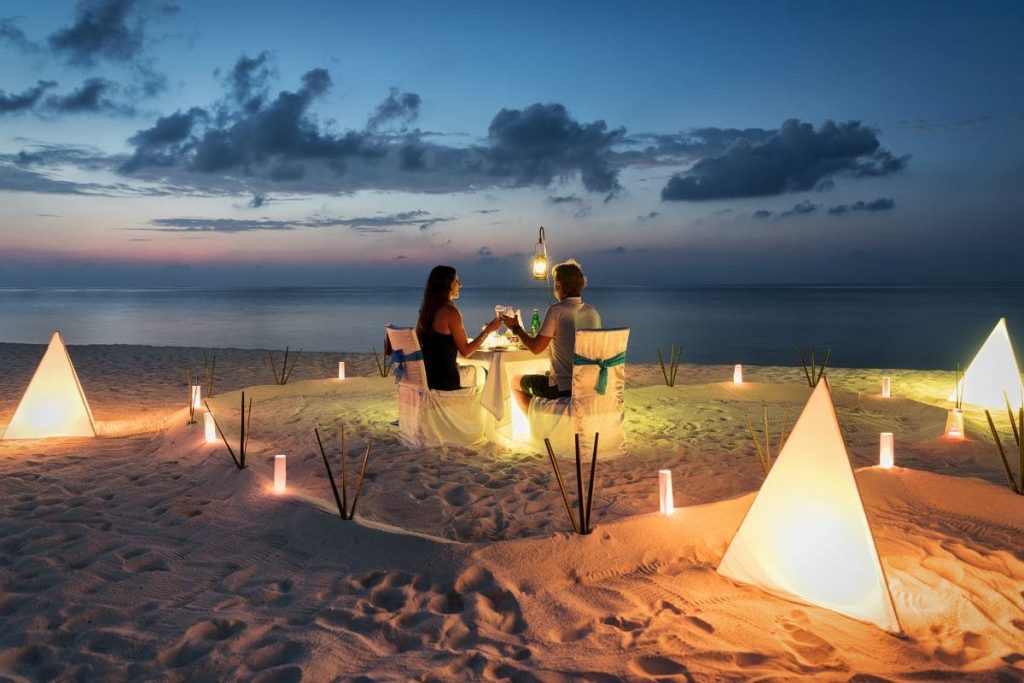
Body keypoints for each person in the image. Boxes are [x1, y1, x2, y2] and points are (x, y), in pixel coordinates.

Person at [501, 260, 601, 414]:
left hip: (562, 388)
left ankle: (537, 427)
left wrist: (516, 328)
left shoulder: (557, 311)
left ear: (559, 286)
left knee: (514, 381)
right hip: (588, 386)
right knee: (542, 373)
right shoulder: (592, 312)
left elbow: (536, 348)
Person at [417, 265, 502, 391]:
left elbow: (421, 344)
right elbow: (466, 351)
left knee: (471, 369)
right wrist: (488, 330)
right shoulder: (451, 313)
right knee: (488, 373)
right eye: (456, 280)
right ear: (446, 285)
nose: (460, 284)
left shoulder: (426, 311)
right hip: (446, 379)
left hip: (428, 376)